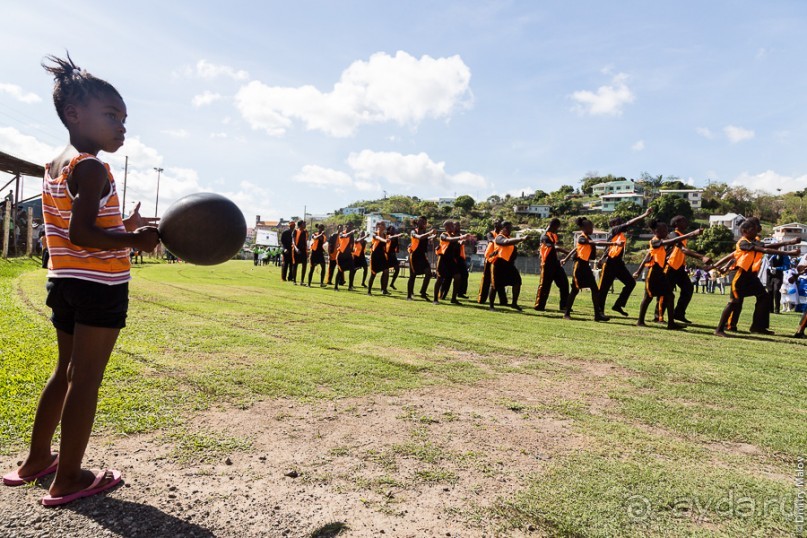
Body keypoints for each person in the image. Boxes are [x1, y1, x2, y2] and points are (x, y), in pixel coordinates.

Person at [2, 54, 160, 506]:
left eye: (124, 118)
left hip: (65, 281)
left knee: (64, 372)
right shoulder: (91, 166)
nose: (122, 126)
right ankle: (68, 477)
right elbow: (83, 232)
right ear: (74, 114)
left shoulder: (57, 164)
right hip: (98, 285)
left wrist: (123, 224)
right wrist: (134, 238)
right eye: (112, 115)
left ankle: (36, 461)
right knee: (86, 377)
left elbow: (77, 225)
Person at [714, 219, 799, 336]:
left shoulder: (754, 240)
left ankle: (757, 327)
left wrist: (788, 243)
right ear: (744, 231)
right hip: (740, 276)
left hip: (752, 277)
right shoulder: (743, 243)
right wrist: (789, 253)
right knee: (734, 302)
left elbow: (768, 245)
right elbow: (763, 249)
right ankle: (719, 329)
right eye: (752, 229)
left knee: (764, 297)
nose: (756, 230)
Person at [633, 220, 701, 330]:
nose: (666, 232)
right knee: (648, 297)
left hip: (660, 273)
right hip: (653, 273)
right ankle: (640, 321)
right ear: (655, 231)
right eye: (663, 230)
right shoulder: (655, 241)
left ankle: (671, 323)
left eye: (666, 229)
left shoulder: (660, 240)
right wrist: (691, 234)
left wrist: (638, 271)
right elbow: (670, 242)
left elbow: (648, 256)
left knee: (670, 296)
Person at [596, 208, 652, 316]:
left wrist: (601, 258)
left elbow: (608, 249)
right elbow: (629, 223)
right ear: (614, 224)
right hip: (610, 264)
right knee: (603, 288)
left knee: (631, 283)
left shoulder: (618, 235)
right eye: (620, 222)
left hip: (618, 264)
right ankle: (599, 311)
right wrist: (645, 214)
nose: (623, 224)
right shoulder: (615, 230)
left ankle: (618, 305)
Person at [560, 217, 618, 321]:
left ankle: (597, 315)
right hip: (579, 267)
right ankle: (566, 313)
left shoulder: (587, 238)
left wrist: (566, 258)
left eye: (592, 227)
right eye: (590, 227)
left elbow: (575, 249)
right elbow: (595, 244)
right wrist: (613, 243)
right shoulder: (582, 238)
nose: (592, 229)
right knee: (575, 290)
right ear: (583, 228)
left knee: (595, 289)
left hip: (585, 266)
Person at [662, 216, 712, 324]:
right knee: (666, 292)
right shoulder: (673, 235)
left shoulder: (683, 236)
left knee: (688, 289)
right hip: (670, 267)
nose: (686, 222)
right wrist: (701, 257)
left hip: (679, 268)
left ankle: (679, 314)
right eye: (683, 221)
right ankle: (659, 316)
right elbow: (683, 249)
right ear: (676, 223)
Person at [488, 221, 526, 311]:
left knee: (517, 282)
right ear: (502, 229)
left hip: (508, 265)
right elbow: (505, 242)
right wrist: (521, 239)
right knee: (494, 286)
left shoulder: (509, 238)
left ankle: (514, 303)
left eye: (510, 228)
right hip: (498, 264)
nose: (509, 230)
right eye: (508, 228)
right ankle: (491, 306)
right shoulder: (499, 238)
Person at [533, 218, 569, 312]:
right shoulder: (544, 236)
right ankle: (539, 306)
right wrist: (566, 252)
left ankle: (564, 306)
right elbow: (553, 247)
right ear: (554, 226)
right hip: (547, 263)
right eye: (557, 227)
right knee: (544, 285)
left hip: (555, 263)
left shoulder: (553, 235)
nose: (557, 229)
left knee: (564, 283)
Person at [433, 221, 470, 305]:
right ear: (446, 228)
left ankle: (453, 298)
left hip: (451, 260)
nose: (452, 228)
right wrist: (461, 238)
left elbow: (457, 244)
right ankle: (435, 299)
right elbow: (449, 240)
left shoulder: (455, 236)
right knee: (439, 279)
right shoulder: (443, 235)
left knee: (457, 276)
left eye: (452, 226)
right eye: (450, 226)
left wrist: (461, 242)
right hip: (442, 259)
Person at [407, 217, 436, 301]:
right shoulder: (413, 232)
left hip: (422, 256)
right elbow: (419, 237)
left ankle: (423, 292)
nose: (424, 223)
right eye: (422, 221)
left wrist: (432, 236)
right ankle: (409, 296)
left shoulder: (424, 232)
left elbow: (425, 239)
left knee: (428, 273)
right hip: (414, 256)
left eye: (425, 222)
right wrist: (430, 233)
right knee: (412, 276)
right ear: (417, 223)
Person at [478, 221, 502, 304]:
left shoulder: (503, 235)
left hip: (498, 259)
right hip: (490, 258)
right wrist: (501, 241)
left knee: (499, 279)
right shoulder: (490, 233)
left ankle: (503, 300)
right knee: (486, 279)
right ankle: (481, 299)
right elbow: (491, 240)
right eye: (497, 224)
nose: (498, 226)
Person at [367, 221, 391, 295]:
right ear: (378, 226)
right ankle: (369, 291)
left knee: (386, 271)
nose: (383, 226)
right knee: (373, 273)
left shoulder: (385, 235)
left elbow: (386, 243)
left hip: (382, 255)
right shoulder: (375, 234)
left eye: (384, 225)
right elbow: (379, 238)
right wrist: (385, 240)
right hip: (375, 255)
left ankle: (384, 289)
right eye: (382, 225)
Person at [290, 220, 308, 285]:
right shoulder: (295, 231)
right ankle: (294, 280)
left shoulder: (305, 232)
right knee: (295, 265)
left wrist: (307, 250)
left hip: (303, 250)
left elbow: (306, 241)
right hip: (296, 250)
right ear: (300, 225)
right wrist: (296, 248)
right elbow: (293, 241)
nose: (305, 225)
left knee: (304, 265)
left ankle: (302, 281)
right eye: (304, 224)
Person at [386, 225, 402, 290]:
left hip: (393, 255)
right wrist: (397, 235)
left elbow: (397, 248)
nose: (393, 230)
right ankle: (384, 287)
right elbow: (390, 238)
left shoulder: (396, 237)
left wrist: (398, 247)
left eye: (394, 229)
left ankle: (392, 283)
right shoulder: (387, 236)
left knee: (397, 269)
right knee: (385, 271)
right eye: (392, 229)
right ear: (389, 230)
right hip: (387, 255)